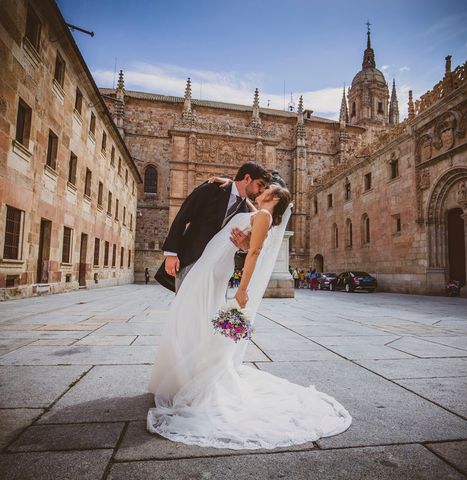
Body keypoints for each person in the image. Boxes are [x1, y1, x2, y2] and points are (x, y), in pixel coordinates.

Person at [147, 184, 351, 449]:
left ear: (275, 198)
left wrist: (242, 289)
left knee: (198, 318)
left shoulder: (264, 217)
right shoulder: (258, 212)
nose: (263, 189)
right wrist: (225, 180)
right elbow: (242, 201)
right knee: (196, 318)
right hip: (211, 265)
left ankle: (197, 377)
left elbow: (253, 253)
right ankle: (190, 372)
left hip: (215, 269)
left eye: (269, 189)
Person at [155, 162, 271, 293]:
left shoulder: (245, 211)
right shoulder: (211, 189)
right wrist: (171, 253)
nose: (261, 190)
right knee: (186, 307)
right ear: (247, 178)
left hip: (217, 270)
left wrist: (244, 247)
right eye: (260, 185)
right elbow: (183, 215)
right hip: (192, 261)